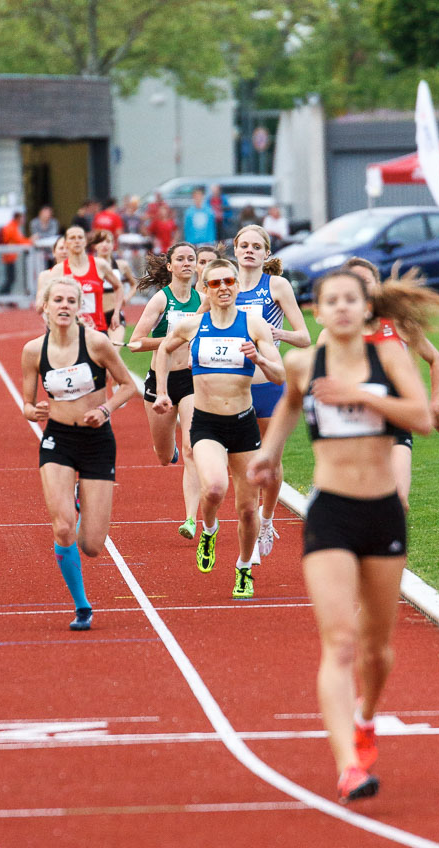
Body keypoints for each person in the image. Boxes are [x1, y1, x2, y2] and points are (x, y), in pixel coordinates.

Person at [248, 268, 433, 803]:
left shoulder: (388, 357)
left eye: (353, 299)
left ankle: (367, 717)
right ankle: (348, 765)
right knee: (341, 642)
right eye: (333, 301)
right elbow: (287, 405)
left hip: (382, 512)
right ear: (319, 312)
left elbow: (419, 418)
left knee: (377, 650)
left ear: (366, 308)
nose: (344, 308)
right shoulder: (306, 362)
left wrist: (360, 395)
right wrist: (268, 454)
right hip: (329, 510)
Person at [153, 258, 284, 599]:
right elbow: (164, 351)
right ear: (206, 290)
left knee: (246, 508)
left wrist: (260, 359)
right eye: (215, 283)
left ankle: (243, 568)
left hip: (243, 424)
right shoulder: (192, 326)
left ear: (237, 286)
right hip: (207, 422)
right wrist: (163, 392)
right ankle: (209, 529)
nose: (224, 287)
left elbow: (280, 375)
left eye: (229, 281)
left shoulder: (254, 325)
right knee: (214, 488)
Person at [21, 276, 137, 630]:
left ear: (79, 307)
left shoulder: (97, 343)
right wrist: (32, 411)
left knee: (92, 545)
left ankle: (82, 498)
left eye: (72, 301)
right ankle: (82, 606)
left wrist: (105, 410)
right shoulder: (32, 351)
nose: (64, 306)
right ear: (45, 306)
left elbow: (129, 385)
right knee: (62, 528)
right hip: (57, 440)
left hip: (97, 440)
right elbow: (26, 403)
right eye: (58, 300)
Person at [319, 256, 439, 511]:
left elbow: (436, 359)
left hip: (396, 421)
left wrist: (435, 403)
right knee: (355, 502)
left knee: (398, 501)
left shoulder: (398, 324)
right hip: (352, 425)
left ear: (376, 286)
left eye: (366, 281)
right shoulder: (330, 333)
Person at [232, 224, 311, 561]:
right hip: (232, 387)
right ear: (234, 251)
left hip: (267, 385)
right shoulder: (224, 285)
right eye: (243, 245)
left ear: (266, 254)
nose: (249, 250)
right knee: (239, 463)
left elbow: (305, 337)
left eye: (256, 246)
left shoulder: (276, 286)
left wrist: (270, 333)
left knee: (271, 461)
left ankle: (266, 520)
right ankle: (248, 520)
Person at [129, 243, 202, 539]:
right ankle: (166, 450)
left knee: (191, 449)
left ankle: (190, 519)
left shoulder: (202, 299)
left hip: (191, 379)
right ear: (170, 266)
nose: (187, 263)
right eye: (180, 259)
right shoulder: (161, 300)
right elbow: (135, 341)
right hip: (160, 379)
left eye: (191, 259)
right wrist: (170, 341)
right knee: (163, 454)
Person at [49, 225, 122, 334]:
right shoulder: (58, 270)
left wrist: (116, 314)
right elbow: (50, 299)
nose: (76, 241)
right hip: (71, 331)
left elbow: (119, 287)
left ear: (85, 241)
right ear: (66, 243)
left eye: (80, 237)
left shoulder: (100, 265)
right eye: (72, 238)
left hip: (97, 329)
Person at [88, 229, 137, 349]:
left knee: (113, 352)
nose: (104, 245)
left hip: (114, 315)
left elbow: (134, 284)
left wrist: (126, 297)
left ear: (113, 244)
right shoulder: (89, 265)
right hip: (94, 317)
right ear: (95, 245)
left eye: (108, 241)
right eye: (100, 242)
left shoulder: (121, 265)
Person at [0, 212, 32, 296]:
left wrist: (29, 241)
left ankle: (5, 297)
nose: (24, 220)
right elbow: (20, 241)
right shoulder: (12, 228)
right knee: (11, 278)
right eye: (22, 218)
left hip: (10, 256)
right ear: (18, 218)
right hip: (8, 256)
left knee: (10, 278)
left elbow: (20, 240)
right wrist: (31, 241)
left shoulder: (13, 227)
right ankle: (1, 295)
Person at [34, 235, 68, 313]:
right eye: (61, 248)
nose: (64, 251)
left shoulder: (79, 273)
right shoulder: (45, 275)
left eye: (68, 248)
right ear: (53, 252)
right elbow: (39, 308)